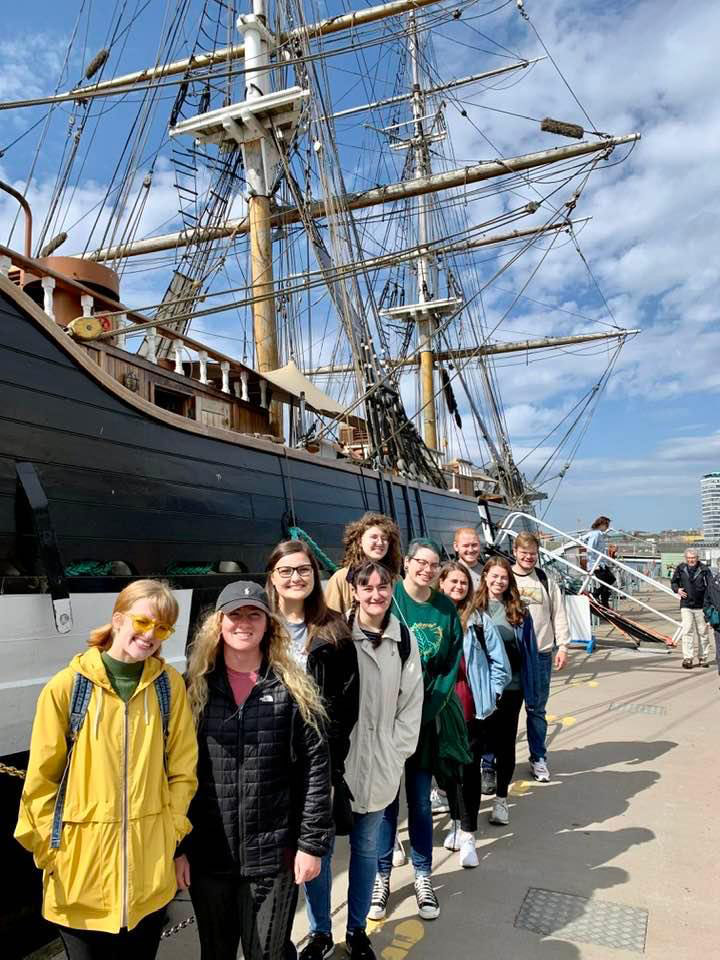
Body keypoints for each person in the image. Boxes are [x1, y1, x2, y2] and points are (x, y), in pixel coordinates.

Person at [15, 580, 198, 960]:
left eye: (162, 628)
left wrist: (172, 830)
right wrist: (53, 852)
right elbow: (40, 782)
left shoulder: (168, 687)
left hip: (147, 878)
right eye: (143, 622)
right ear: (117, 619)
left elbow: (183, 769)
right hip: (80, 879)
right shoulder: (67, 688)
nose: (150, 635)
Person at [176, 582, 332, 960]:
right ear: (219, 623)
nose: (244, 623)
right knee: (216, 953)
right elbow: (174, 775)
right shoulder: (193, 689)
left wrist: (310, 845)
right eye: (235, 614)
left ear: (268, 625)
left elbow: (316, 771)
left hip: (273, 857)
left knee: (267, 953)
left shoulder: (293, 688)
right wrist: (177, 848)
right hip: (209, 854)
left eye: (254, 615)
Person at [300, 562, 423, 960]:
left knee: (367, 848)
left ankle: (356, 931)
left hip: (381, 760)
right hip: (338, 762)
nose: (375, 594)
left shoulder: (403, 639)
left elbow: (412, 702)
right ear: (353, 590)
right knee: (320, 849)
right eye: (366, 586)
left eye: (382, 586)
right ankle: (320, 932)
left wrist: (396, 750)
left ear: (392, 589)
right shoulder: (335, 635)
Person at [369, 539, 468, 923]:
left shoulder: (445, 608)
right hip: (388, 718)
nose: (427, 569)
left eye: (433, 564)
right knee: (386, 804)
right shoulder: (389, 597)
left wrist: (426, 711)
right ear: (406, 563)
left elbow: (450, 664)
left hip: (424, 721)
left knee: (422, 802)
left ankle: (423, 875)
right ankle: (382, 877)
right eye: (420, 562)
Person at [439, 561, 510, 866]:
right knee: (446, 771)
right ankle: (457, 821)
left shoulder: (479, 620)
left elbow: (500, 663)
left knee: (468, 770)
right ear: (441, 584)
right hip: (439, 707)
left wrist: (492, 694)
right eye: (453, 582)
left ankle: (468, 834)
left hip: (470, 705)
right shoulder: (433, 618)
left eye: (463, 582)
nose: (458, 587)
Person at [512, 532, 569, 782]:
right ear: (515, 552)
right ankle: (494, 760)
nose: (528, 557)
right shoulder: (505, 578)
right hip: (511, 654)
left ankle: (538, 757)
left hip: (541, 654)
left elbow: (559, 613)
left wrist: (563, 646)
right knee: (504, 711)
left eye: (533, 553)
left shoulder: (545, 580)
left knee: (536, 710)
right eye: (524, 553)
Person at [324, 513, 403, 615]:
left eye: (384, 538)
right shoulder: (341, 579)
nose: (380, 542)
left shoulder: (397, 580)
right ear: (359, 541)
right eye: (374, 537)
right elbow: (330, 619)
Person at [671, 549, 712, 669]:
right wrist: (677, 590)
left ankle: (703, 658)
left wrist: (710, 604)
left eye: (693, 558)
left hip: (702, 606)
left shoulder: (704, 569)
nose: (691, 560)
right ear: (686, 558)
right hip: (686, 605)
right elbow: (674, 582)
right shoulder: (681, 568)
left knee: (703, 632)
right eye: (689, 558)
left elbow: (710, 587)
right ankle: (688, 658)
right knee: (687, 630)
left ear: (697, 558)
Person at [581, 516, 615, 607]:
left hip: (601, 563)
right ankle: (599, 597)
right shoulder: (595, 534)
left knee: (611, 579)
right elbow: (590, 549)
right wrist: (594, 564)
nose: (607, 527)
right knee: (606, 583)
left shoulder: (600, 534)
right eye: (606, 525)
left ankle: (601, 598)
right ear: (601, 524)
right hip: (596, 564)